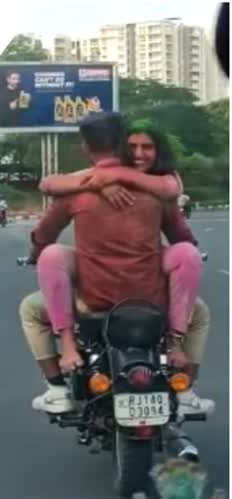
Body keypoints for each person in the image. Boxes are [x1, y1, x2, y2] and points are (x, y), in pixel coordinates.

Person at [18, 113, 213, 416]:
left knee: (38, 290)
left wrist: (37, 252)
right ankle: (185, 386)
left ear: (85, 146)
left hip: (94, 299)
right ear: (124, 144)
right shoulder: (157, 188)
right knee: (197, 308)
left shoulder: (74, 190)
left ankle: (58, 383)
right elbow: (180, 235)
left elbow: (44, 234)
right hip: (151, 298)